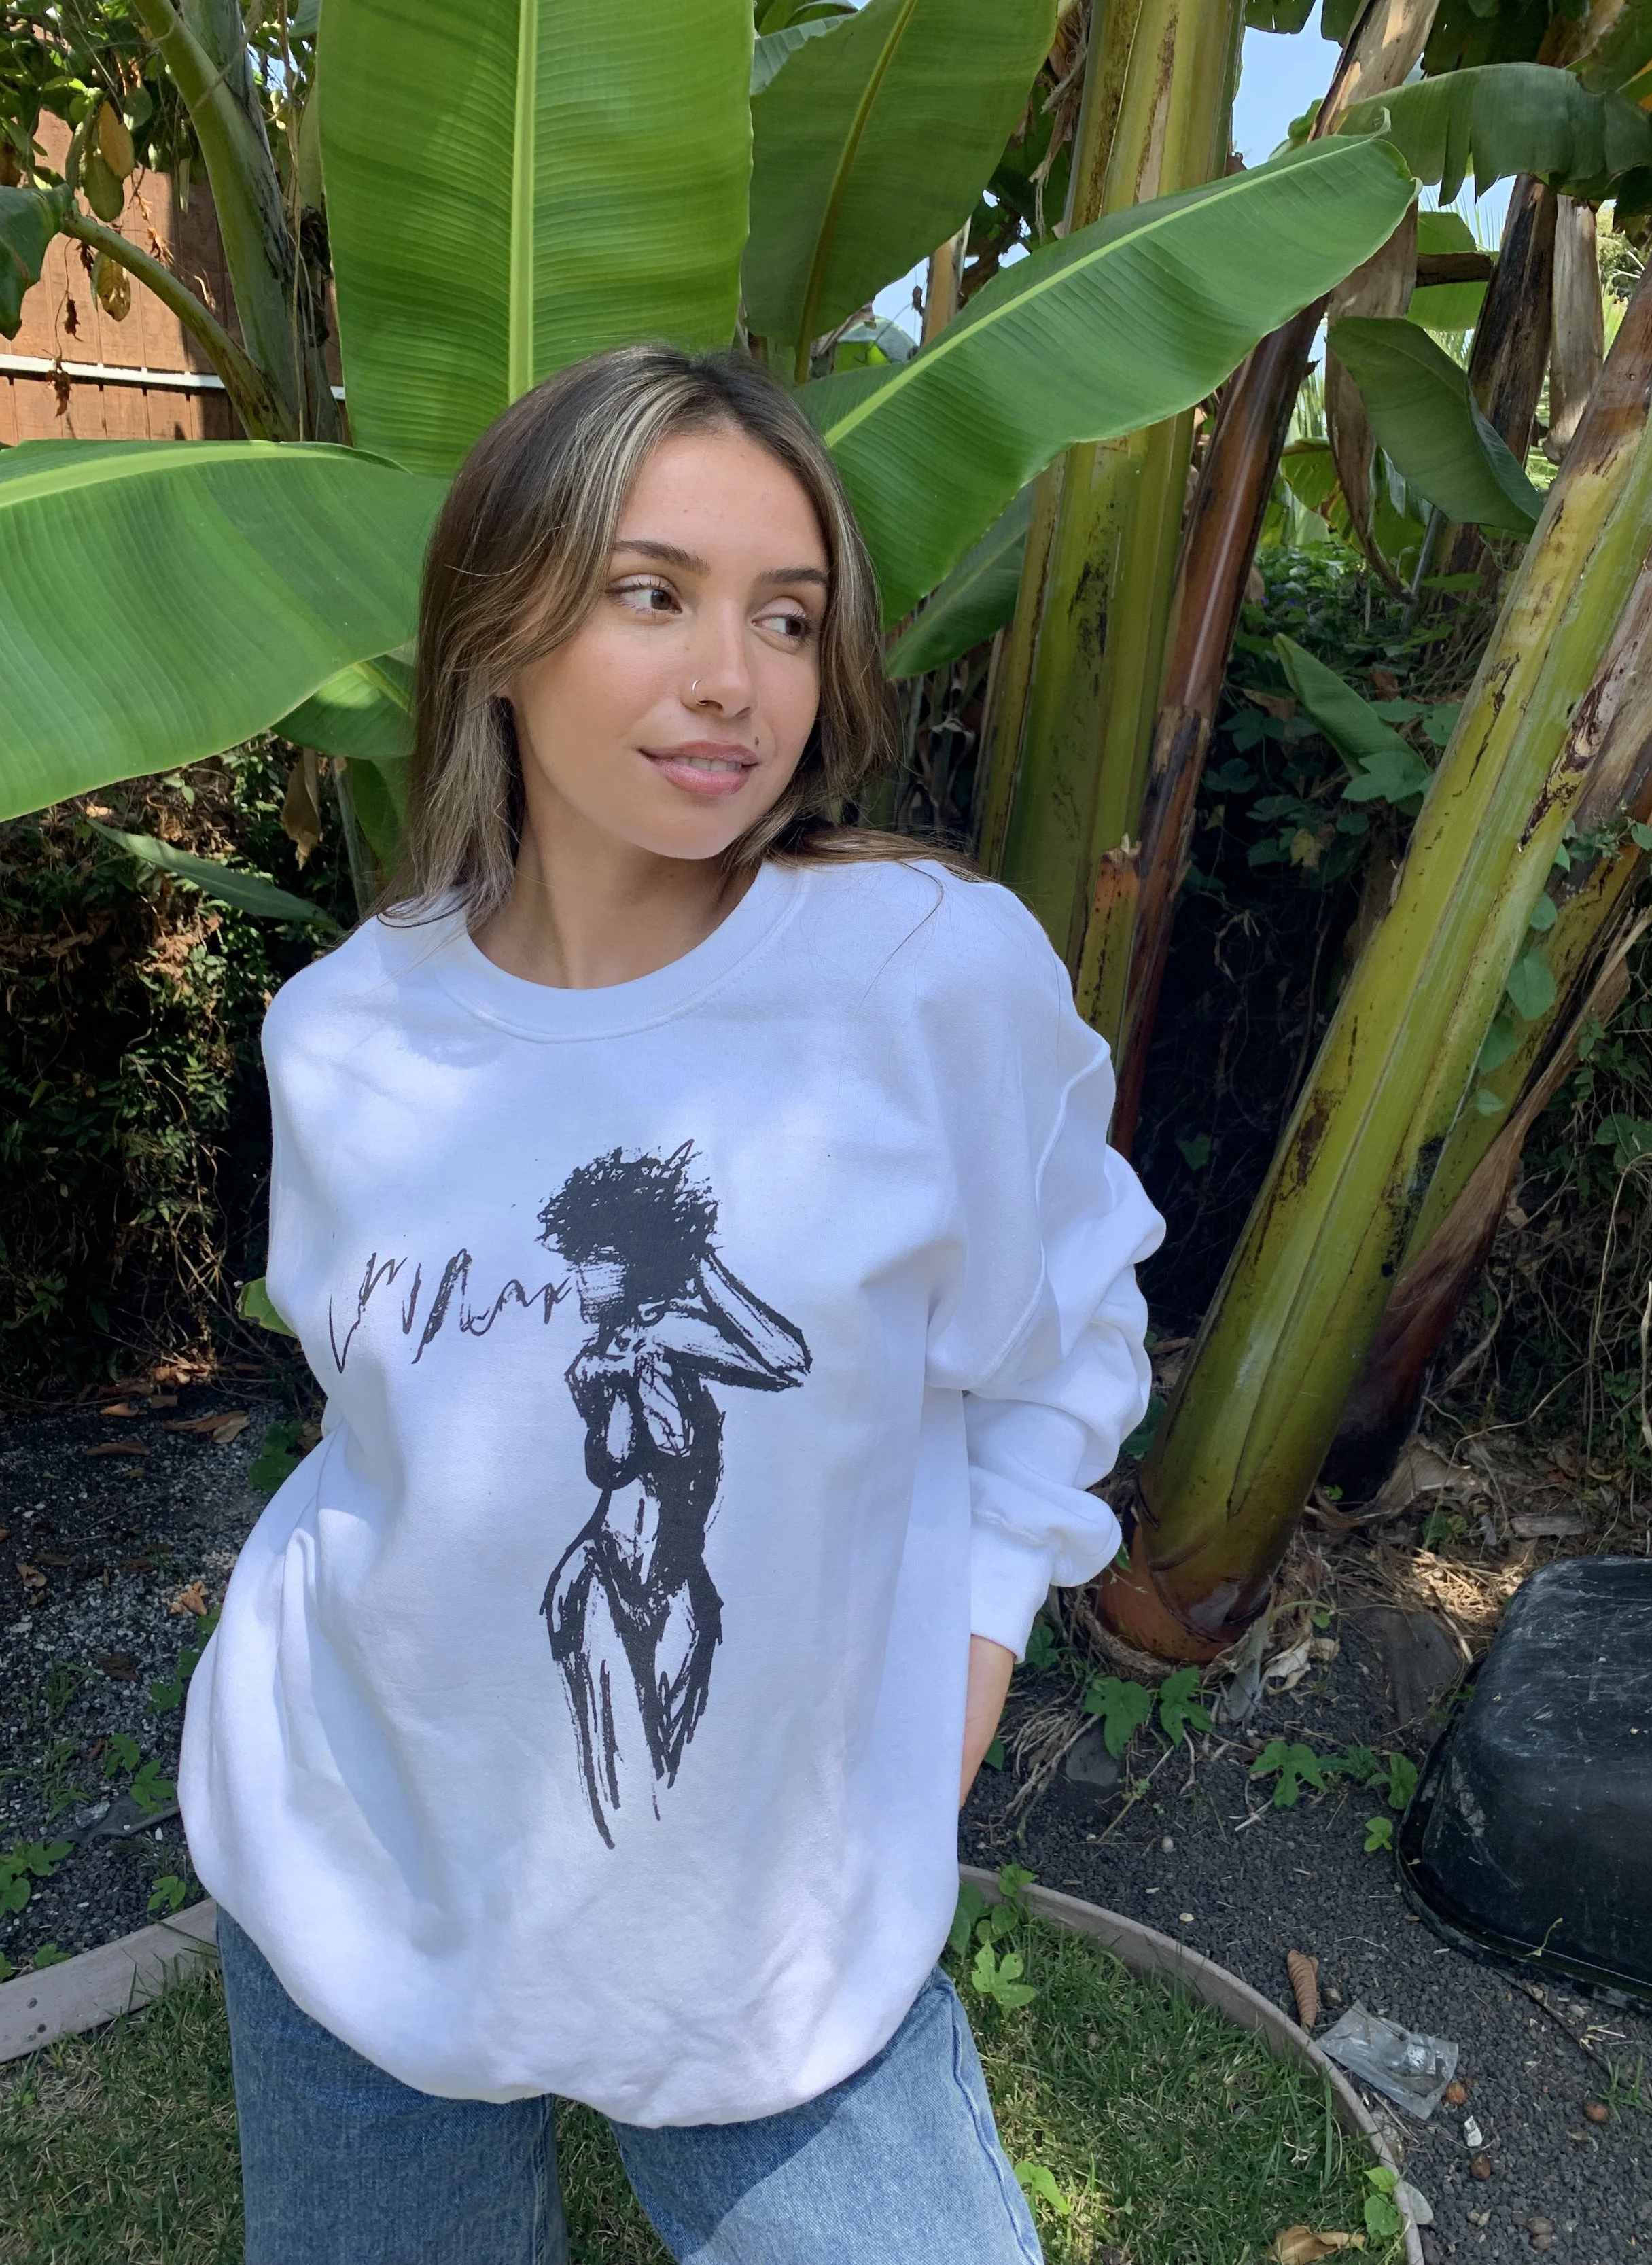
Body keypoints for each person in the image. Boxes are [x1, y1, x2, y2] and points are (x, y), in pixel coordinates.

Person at [179, 343, 1163, 2265]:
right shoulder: (345, 1029)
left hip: (767, 1946)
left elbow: (1062, 1344)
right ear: (497, 630)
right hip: (353, 1875)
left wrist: (958, 1674)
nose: (734, 676)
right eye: (652, 594)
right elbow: (368, 1408)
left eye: (784, 616)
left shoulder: (915, 977)